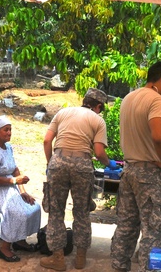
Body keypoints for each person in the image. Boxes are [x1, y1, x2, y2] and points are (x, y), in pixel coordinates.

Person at [40, 88, 116, 270]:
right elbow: (98, 152)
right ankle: (80, 258)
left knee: (56, 212)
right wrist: (109, 163)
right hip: (82, 166)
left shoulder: (62, 112)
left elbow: (46, 141)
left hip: (58, 163)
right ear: (98, 106)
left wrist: (50, 163)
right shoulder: (98, 120)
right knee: (81, 212)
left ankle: (57, 259)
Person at [111, 62, 161, 272]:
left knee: (126, 227)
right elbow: (158, 137)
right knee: (153, 230)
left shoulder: (128, 98)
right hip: (149, 172)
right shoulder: (157, 100)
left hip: (128, 169)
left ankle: (118, 267)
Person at [0, 115, 41, 263]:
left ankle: (19, 239)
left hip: (6, 187)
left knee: (33, 206)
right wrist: (13, 181)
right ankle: (3, 247)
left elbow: (15, 170)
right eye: (6, 130)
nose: (9, 133)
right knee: (16, 211)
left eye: (10, 129)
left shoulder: (8, 147)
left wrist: (23, 191)